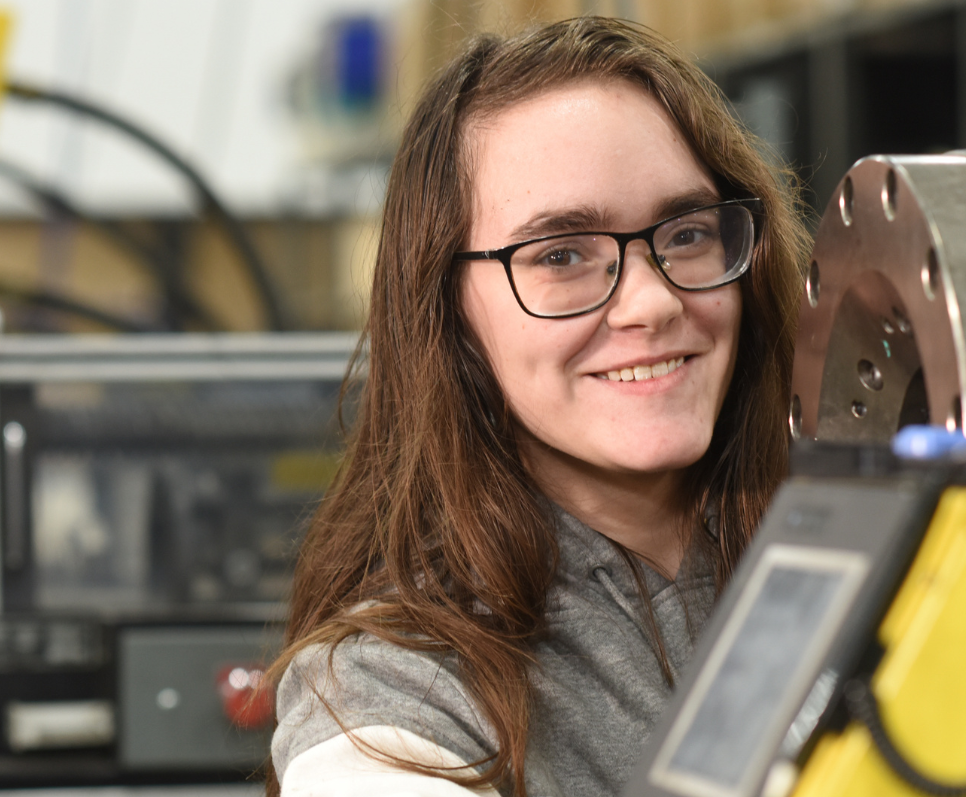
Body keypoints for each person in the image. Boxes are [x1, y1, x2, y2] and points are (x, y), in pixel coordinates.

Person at [267, 16, 808, 797]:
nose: (651, 301)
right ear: (445, 313)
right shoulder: (389, 685)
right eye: (560, 255)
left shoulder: (863, 541)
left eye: (687, 231)